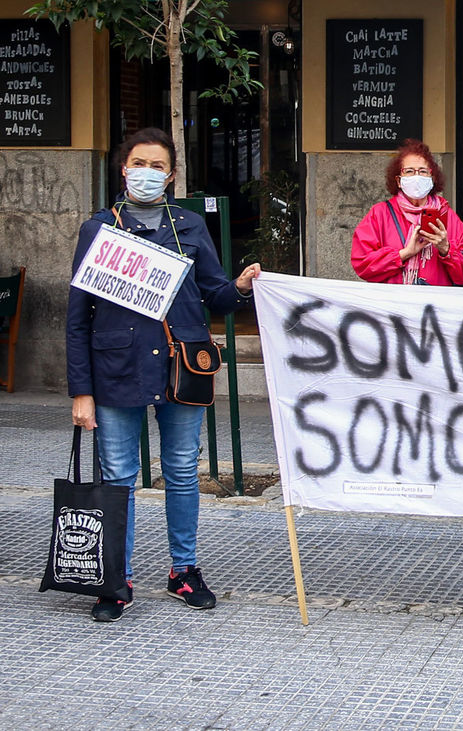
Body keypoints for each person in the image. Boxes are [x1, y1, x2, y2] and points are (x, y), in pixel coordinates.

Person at [66, 127, 262, 622]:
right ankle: (116, 579)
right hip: (117, 370)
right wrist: (81, 392)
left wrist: (240, 286)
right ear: (123, 168)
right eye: (140, 163)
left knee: (181, 471)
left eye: (158, 166)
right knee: (118, 476)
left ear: (171, 175)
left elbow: (215, 294)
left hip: (182, 367)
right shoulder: (99, 229)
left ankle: (184, 570)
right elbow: (77, 318)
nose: (147, 173)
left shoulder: (190, 226)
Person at [351, 139, 463, 286]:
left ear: (432, 179)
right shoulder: (380, 214)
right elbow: (362, 264)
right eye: (409, 171)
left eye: (423, 171)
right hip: (395, 299)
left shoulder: (447, 216)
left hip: (436, 299)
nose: (416, 177)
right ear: (398, 181)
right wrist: (405, 253)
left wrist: (446, 249)